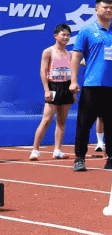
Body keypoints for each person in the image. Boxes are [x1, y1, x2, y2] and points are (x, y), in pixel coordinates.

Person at [69, 0, 112, 172]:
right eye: (105, 8)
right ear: (96, 10)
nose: (109, 10)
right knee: (84, 124)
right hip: (92, 85)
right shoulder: (86, 31)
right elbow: (76, 57)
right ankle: (79, 158)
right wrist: (73, 81)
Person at [30, 24, 75, 160]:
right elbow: (43, 71)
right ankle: (35, 150)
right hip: (53, 87)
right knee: (47, 119)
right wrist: (46, 90)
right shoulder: (48, 52)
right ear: (56, 36)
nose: (66, 37)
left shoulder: (70, 54)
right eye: (63, 34)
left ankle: (57, 150)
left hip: (66, 87)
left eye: (68, 35)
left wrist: (72, 92)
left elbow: (73, 73)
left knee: (61, 121)